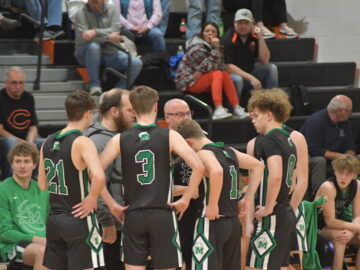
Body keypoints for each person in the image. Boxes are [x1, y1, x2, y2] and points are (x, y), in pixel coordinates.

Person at [100, 86, 205, 270]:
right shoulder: (170, 136)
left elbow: (94, 173)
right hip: (162, 213)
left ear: (132, 111)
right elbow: (198, 166)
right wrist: (186, 199)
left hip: (132, 215)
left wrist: (111, 204)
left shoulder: (119, 139)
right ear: (156, 107)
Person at [37, 90, 124, 270]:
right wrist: (92, 198)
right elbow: (99, 176)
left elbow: (42, 184)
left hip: (54, 219)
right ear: (88, 113)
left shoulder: (47, 141)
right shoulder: (82, 141)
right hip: (78, 219)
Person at [176, 119, 263, 270]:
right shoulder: (229, 151)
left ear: (188, 142)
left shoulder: (204, 152)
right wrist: (247, 199)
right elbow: (258, 165)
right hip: (232, 223)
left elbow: (217, 171)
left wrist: (212, 204)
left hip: (212, 222)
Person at [246, 88, 297, 270]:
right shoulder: (289, 139)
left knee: (255, 267)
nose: (253, 121)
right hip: (286, 212)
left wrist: (268, 207)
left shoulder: (268, 140)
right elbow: (290, 181)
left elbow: (275, 176)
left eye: (256, 116)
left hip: (273, 215)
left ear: (268, 115)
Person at [85, 88, 134, 270]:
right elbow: (96, 185)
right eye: (129, 110)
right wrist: (107, 222)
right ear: (115, 111)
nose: (134, 114)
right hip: (108, 226)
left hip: (121, 222)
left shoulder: (119, 136)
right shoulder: (98, 141)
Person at [175, 22, 248, 120]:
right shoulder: (196, 48)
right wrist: (215, 49)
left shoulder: (217, 46)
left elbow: (220, 66)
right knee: (217, 74)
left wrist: (204, 69)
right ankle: (218, 109)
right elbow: (210, 67)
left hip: (204, 78)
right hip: (189, 81)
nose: (210, 33)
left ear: (217, 34)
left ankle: (236, 107)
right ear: (202, 34)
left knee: (224, 74)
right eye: (207, 31)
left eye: (213, 31)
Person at [74, 0, 143, 96]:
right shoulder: (81, 12)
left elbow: (116, 29)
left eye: (96, 1)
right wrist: (107, 37)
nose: (93, 3)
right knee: (94, 47)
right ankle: (94, 85)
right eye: (91, 1)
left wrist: (95, 32)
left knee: (136, 63)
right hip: (86, 52)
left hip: (110, 51)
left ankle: (117, 91)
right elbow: (84, 38)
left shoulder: (112, 9)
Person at [0, 142, 48, 270]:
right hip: (13, 246)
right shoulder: (3, 190)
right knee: (43, 253)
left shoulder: (42, 189)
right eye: (18, 161)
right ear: (11, 164)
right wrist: (36, 239)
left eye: (26, 161)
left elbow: (51, 222)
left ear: (34, 165)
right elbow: (4, 233)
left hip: (43, 241)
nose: (22, 166)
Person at [300, 95, 356, 194]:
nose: (350, 114)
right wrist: (341, 157)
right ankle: (319, 196)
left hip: (338, 158)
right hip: (312, 157)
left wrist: (349, 157)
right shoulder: (316, 121)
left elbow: (350, 145)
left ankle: (352, 193)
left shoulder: (345, 122)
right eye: (349, 111)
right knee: (320, 161)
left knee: (355, 159)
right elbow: (313, 149)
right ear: (340, 110)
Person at [221, 8, 278, 100]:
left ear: (252, 24)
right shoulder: (227, 39)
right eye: (240, 23)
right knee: (237, 79)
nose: (243, 26)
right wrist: (251, 78)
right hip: (232, 77)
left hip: (249, 73)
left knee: (271, 68)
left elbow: (265, 60)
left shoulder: (254, 37)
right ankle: (234, 110)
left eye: (246, 23)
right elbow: (228, 66)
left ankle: (272, 104)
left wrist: (260, 36)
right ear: (234, 23)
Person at [315, 155, 360, 270]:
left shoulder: (357, 186)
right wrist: (356, 227)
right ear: (334, 171)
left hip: (337, 226)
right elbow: (329, 222)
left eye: (348, 174)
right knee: (340, 238)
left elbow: (357, 216)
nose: (343, 177)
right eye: (340, 172)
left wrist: (352, 231)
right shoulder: (328, 187)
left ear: (355, 174)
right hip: (316, 226)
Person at [0, 66, 44, 179]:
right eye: (14, 83)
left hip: (26, 139)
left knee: (46, 143)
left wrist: (29, 142)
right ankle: (11, 179)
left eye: (21, 83)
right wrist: (23, 143)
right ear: (6, 83)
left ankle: (37, 179)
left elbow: (33, 127)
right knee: (11, 142)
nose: (18, 86)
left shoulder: (28, 97)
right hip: (5, 139)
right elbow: (0, 130)